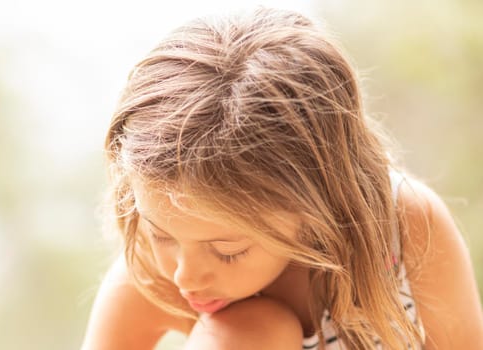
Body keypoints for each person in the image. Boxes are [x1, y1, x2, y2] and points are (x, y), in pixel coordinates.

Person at [81, 7, 483, 350]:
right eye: (161, 235)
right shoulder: (153, 276)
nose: (185, 275)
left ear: (316, 207)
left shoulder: (404, 227)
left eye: (227, 250)